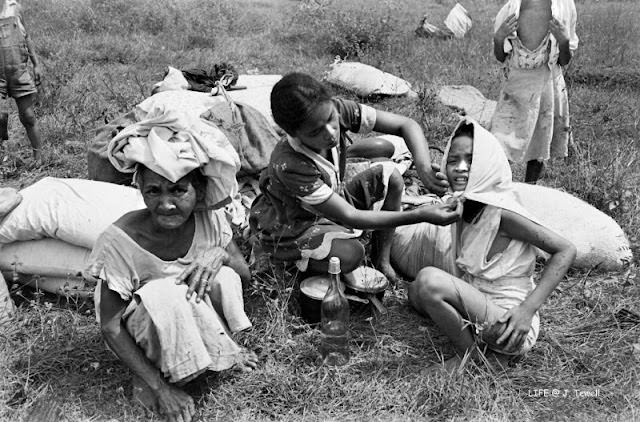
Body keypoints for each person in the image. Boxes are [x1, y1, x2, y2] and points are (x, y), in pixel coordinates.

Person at [84, 166, 258, 422]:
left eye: (178, 190)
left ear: (198, 191)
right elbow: (110, 326)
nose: (166, 205)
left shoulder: (210, 219)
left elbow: (243, 277)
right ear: (142, 194)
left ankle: (223, 350)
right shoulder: (118, 241)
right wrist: (160, 389)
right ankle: (156, 374)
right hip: (148, 323)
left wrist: (219, 254)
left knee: (223, 275)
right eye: (153, 191)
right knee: (165, 291)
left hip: (189, 313)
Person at [249, 72, 458, 284]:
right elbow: (350, 215)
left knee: (392, 178)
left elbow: (405, 125)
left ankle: (381, 260)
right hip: (294, 223)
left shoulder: (336, 110)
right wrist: (421, 215)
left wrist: (422, 167)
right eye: (315, 132)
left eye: (331, 119)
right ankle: (288, 260)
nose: (330, 133)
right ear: (293, 134)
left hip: (331, 200)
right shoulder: (290, 164)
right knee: (350, 255)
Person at [409, 118, 576, 371]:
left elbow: (566, 250)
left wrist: (527, 311)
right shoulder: (465, 205)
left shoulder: (502, 213)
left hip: (510, 324)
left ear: (488, 164)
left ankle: (471, 356)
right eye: (453, 160)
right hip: (481, 306)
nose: (461, 168)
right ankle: (484, 347)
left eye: (471, 160)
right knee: (415, 294)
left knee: (428, 281)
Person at [490, 0, 579, 183]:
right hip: (515, 86)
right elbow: (501, 56)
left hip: (546, 84)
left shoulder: (563, 7)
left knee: (539, 144)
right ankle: (497, 190)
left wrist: (563, 40)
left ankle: (530, 190)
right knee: (500, 142)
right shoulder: (511, 8)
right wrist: (499, 38)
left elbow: (564, 60)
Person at [0, 0, 43, 161]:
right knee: (0, 116)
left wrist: (36, 64)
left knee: (28, 116)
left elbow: (27, 37)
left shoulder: (15, 7)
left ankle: (38, 158)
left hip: (18, 71)